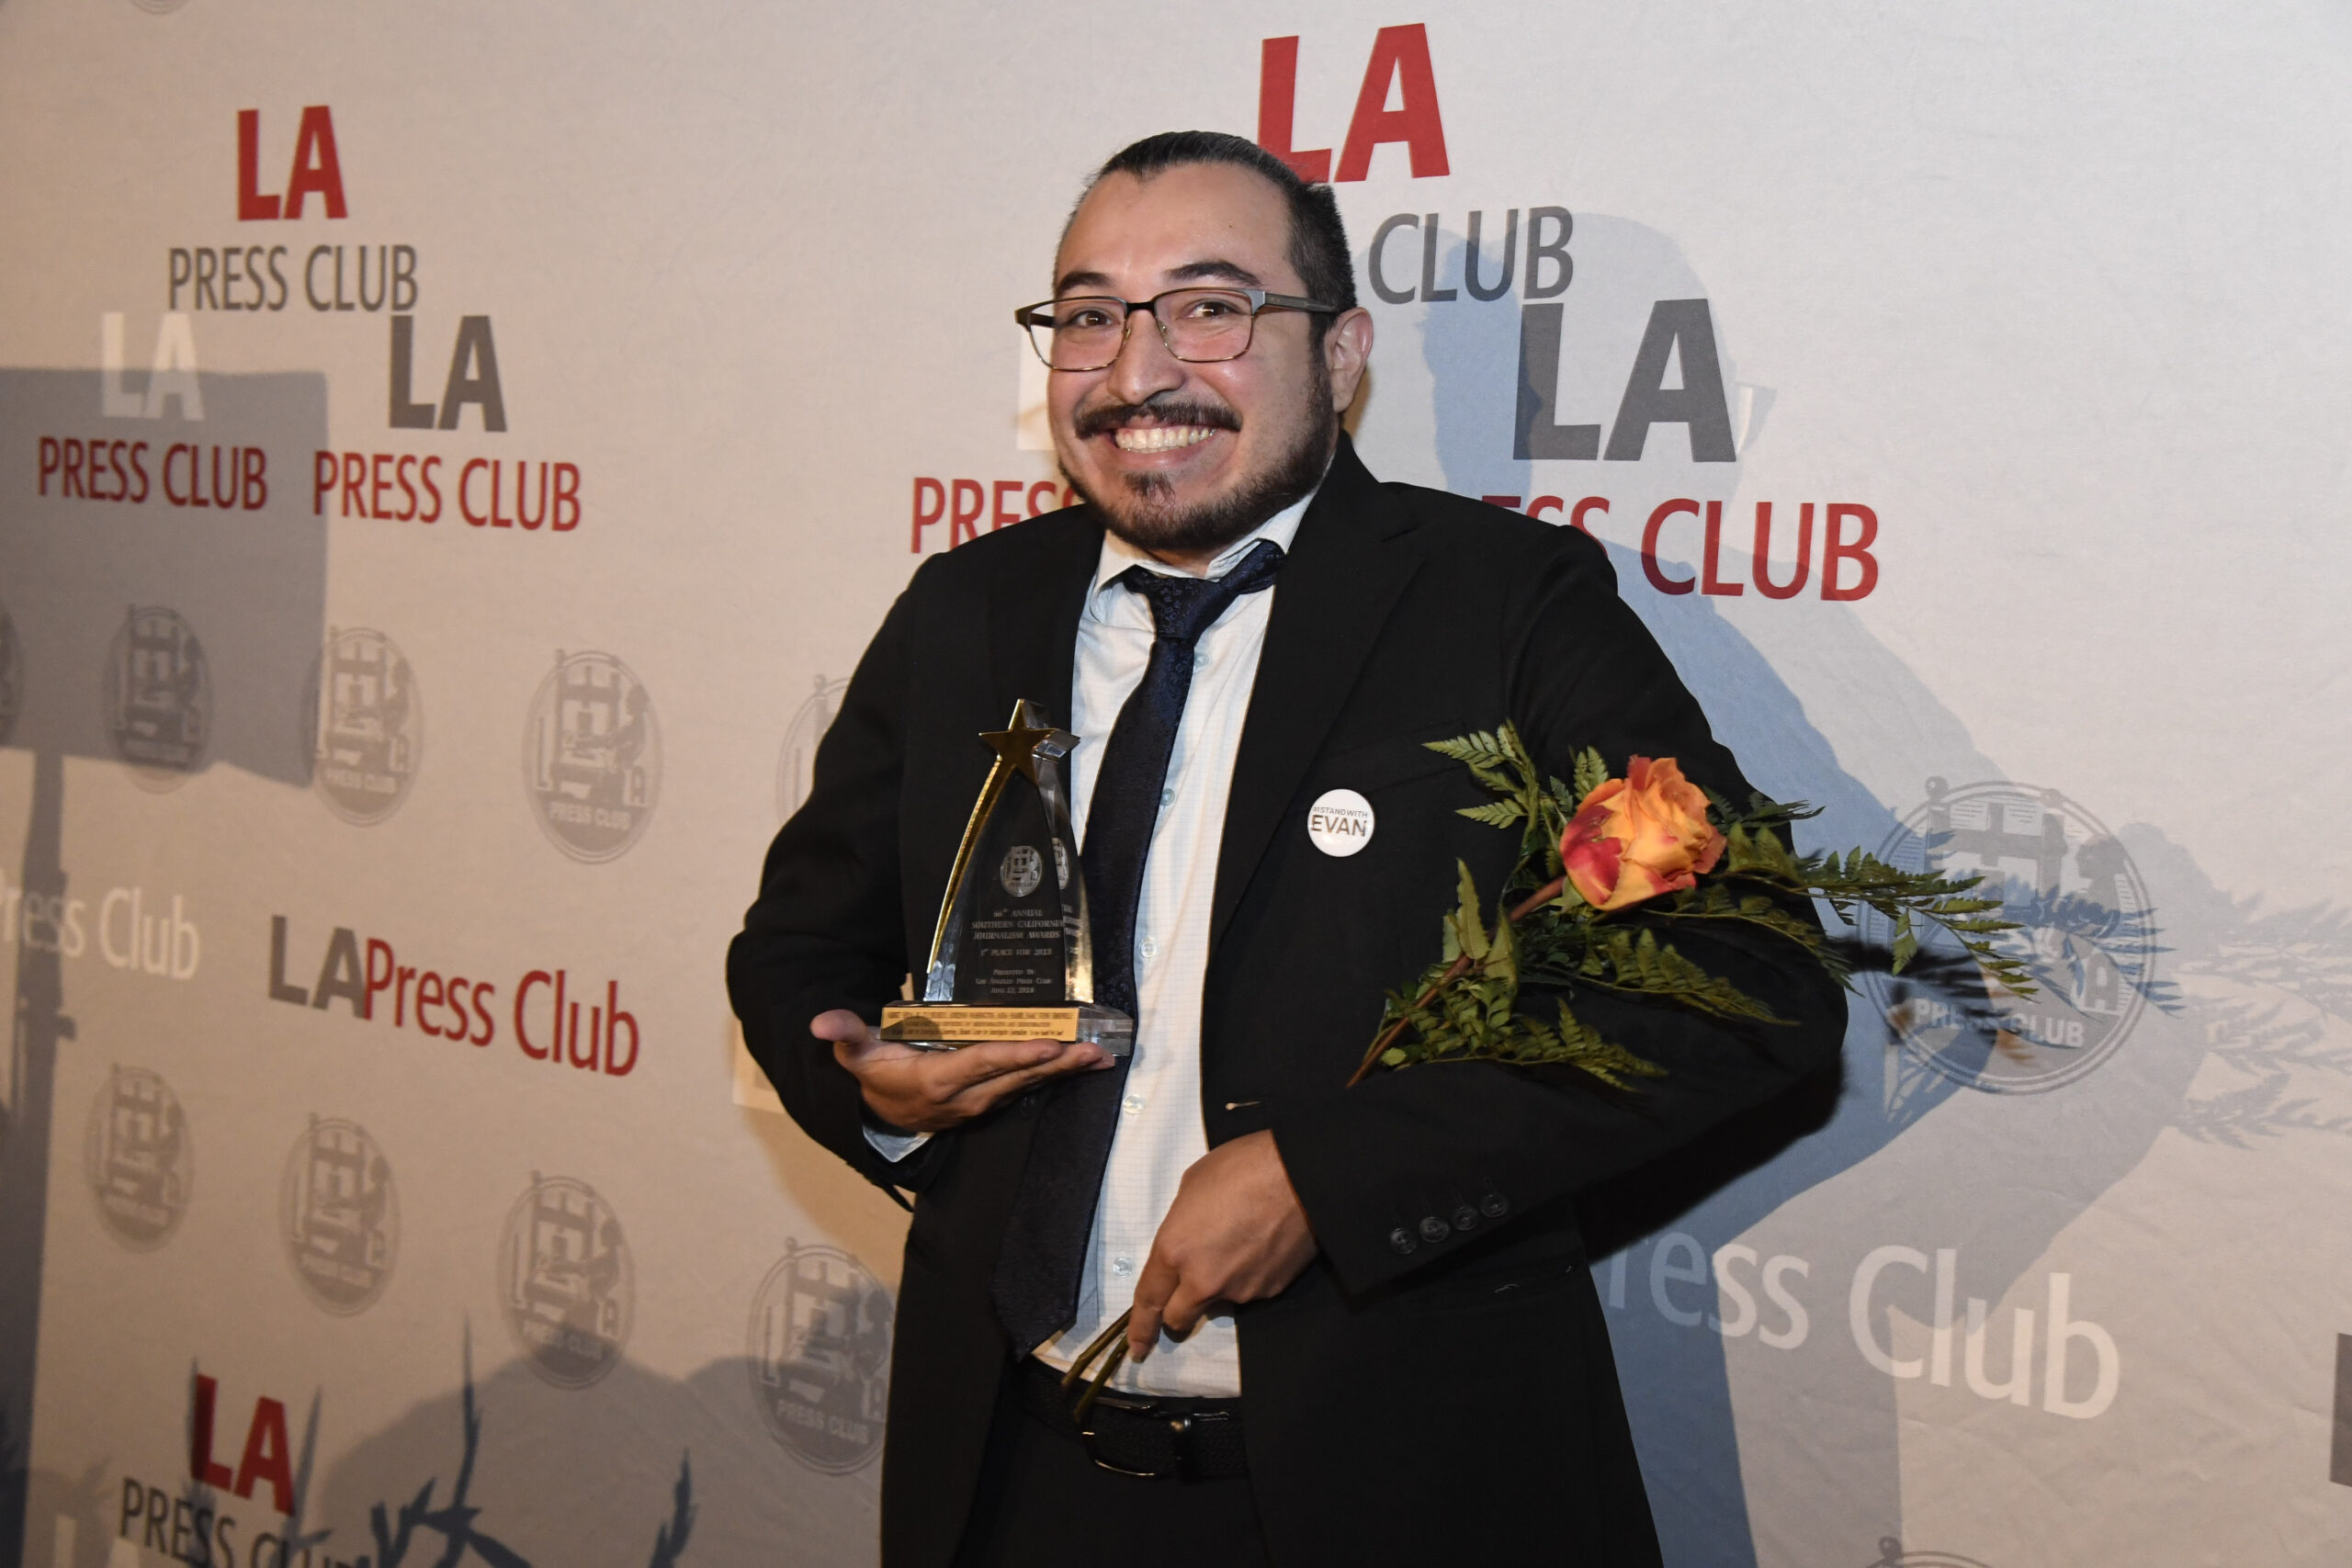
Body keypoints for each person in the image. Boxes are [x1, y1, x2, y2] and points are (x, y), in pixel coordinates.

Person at [729, 130, 1848, 1568]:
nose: (1138, 372)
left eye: (1211, 306)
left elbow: (1745, 967)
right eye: (1088, 316)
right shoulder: (967, 612)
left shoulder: (1501, 612)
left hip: (1395, 1490)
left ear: (1340, 353)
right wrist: (872, 1080)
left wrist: (1334, 1174)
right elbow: (800, 949)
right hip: (1009, 1474)